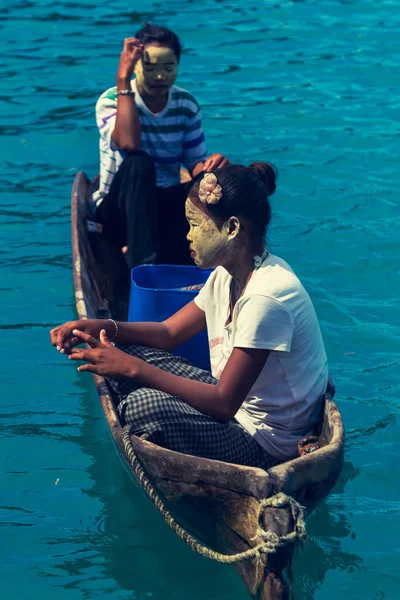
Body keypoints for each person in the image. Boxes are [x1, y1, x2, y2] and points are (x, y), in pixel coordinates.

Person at [51, 163, 329, 469]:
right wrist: (104, 326)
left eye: (196, 225)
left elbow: (223, 404)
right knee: (121, 347)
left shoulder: (266, 297)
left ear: (233, 228)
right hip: (238, 412)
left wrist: (132, 370)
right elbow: (169, 333)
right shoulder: (227, 275)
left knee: (141, 407)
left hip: (267, 443)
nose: (188, 236)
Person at [91, 23, 229, 269]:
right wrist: (123, 80)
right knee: (139, 163)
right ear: (135, 66)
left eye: (168, 67)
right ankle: (143, 270)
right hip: (118, 211)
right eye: (150, 67)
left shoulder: (185, 104)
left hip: (162, 203)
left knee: (217, 178)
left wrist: (213, 167)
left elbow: (194, 164)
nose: (159, 76)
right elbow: (129, 143)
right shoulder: (111, 100)